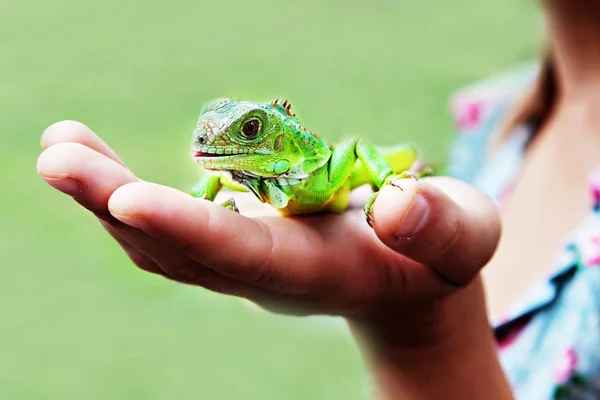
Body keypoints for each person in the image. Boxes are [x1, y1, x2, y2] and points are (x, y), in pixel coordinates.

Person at [35, 0, 600, 398]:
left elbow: (353, 150)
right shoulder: (495, 125)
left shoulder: (319, 176)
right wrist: (207, 197)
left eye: (250, 132)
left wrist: (419, 323)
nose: (214, 144)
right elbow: (220, 182)